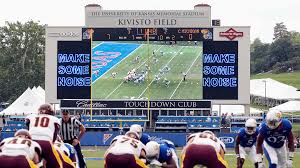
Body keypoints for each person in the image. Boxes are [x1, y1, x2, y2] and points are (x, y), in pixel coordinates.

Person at [26, 103, 63, 168]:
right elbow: (55, 134)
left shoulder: (31, 117)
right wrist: (52, 143)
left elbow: (28, 128)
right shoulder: (55, 119)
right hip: (45, 142)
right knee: (56, 164)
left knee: (29, 163)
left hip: (31, 142)